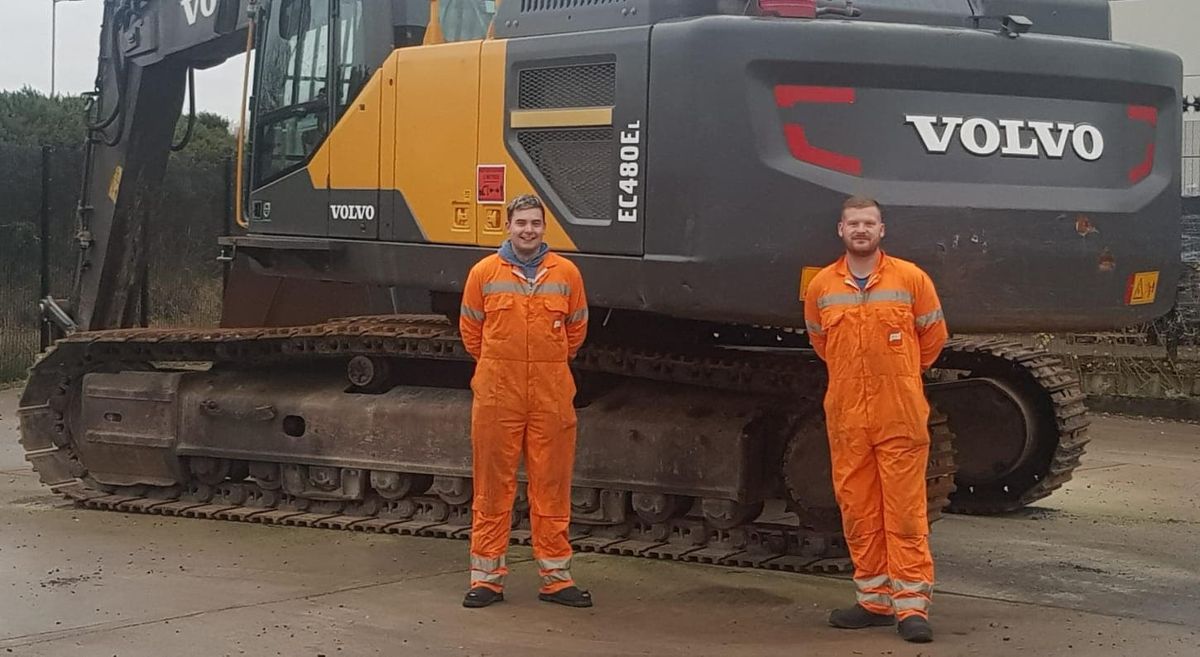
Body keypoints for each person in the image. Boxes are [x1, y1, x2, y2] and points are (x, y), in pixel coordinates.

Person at [802, 196, 948, 643]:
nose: (861, 230)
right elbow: (820, 341)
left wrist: (898, 375)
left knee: (904, 511)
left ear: (882, 230)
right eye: (853, 223)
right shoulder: (822, 286)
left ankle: (911, 608)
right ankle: (874, 600)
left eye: (869, 223)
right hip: (848, 416)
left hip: (899, 413)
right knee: (859, 509)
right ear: (840, 231)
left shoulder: (911, 278)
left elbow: (933, 338)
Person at [458, 194, 592, 609]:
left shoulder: (566, 272)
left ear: (543, 228)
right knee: (491, 488)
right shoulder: (483, 273)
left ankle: (556, 579)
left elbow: (577, 328)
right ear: (509, 226)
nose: (528, 230)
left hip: (551, 394)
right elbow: (470, 331)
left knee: (551, 486)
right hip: (499, 393)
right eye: (522, 223)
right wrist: (504, 367)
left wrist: (545, 367)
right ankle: (486, 580)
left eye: (535, 223)